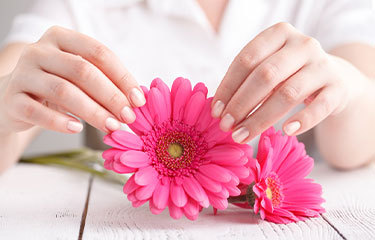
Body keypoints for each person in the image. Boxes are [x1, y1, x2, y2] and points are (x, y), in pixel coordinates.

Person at [0, 0, 374, 173]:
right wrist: (5, 105)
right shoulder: (76, 7)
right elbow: (13, 105)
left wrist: (350, 89)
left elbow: (356, 145)